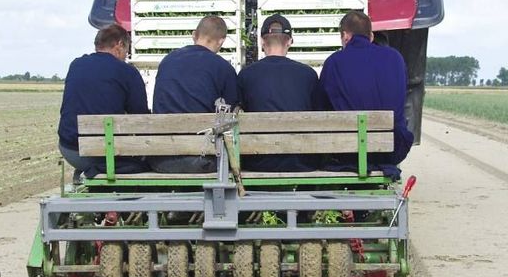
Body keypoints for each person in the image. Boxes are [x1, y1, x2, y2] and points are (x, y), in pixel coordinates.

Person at [317, 10, 414, 178]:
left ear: (345, 36)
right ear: (371, 36)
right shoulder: (395, 58)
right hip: (391, 149)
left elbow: (321, 109)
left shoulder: (334, 62)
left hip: (348, 153)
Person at [58, 25, 149, 181]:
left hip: (70, 150)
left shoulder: (76, 64)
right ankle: (96, 169)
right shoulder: (127, 72)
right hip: (102, 153)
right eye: (127, 51)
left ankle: (90, 170)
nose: (126, 56)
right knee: (145, 162)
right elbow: (140, 119)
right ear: (119, 45)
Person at [150, 15, 240, 172]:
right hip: (203, 160)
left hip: (162, 159)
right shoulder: (223, 68)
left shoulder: (167, 61)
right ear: (221, 41)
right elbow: (231, 116)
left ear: (194, 34)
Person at [237, 13, 320, 171]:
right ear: (290, 41)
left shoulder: (246, 75)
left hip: (258, 161)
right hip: (301, 160)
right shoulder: (308, 75)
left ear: (262, 41)